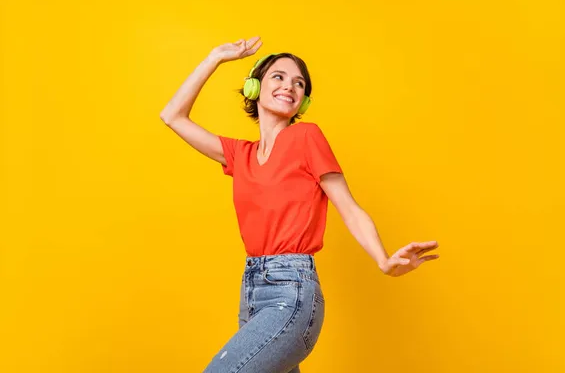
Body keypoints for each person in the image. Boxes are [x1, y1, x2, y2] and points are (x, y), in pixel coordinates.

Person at [159, 36, 440, 373]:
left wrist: (383, 260)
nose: (289, 86)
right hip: (251, 293)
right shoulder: (240, 155)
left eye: (299, 83)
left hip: (291, 292)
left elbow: (347, 205)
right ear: (254, 88)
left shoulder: (306, 137)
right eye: (278, 76)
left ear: (303, 101)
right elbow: (172, 116)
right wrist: (215, 58)